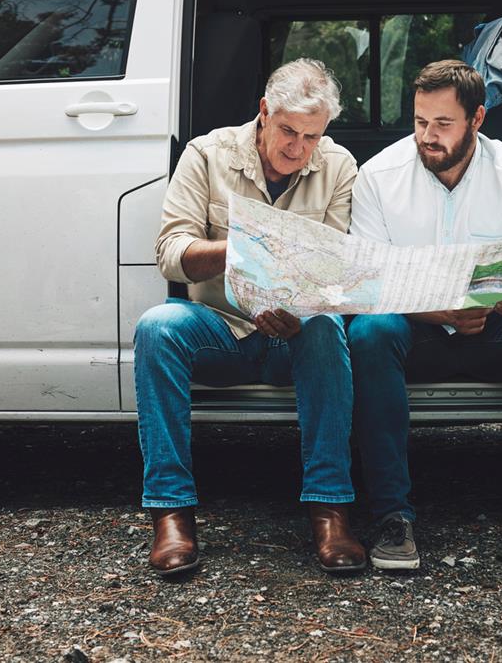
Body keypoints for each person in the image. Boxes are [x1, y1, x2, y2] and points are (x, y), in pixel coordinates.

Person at [347, 60, 502, 571]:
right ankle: (392, 516)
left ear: (477, 118)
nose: (427, 137)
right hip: (416, 335)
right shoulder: (378, 177)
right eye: (419, 122)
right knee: (369, 330)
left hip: (495, 333)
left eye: (442, 124)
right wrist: (435, 310)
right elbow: (366, 283)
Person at [135, 58, 365, 577]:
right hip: (222, 328)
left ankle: (330, 509)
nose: (298, 149)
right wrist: (240, 247)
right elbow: (171, 252)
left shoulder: (339, 165)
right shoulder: (206, 154)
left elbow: (339, 267)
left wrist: (305, 303)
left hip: (297, 332)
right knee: (156, 327)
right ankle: (170, 511)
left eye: (311, 136)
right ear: (263, 112)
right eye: (288, 131)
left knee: (329, 326)